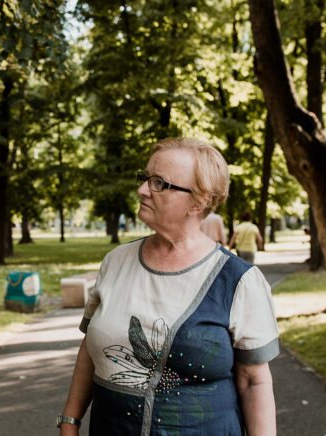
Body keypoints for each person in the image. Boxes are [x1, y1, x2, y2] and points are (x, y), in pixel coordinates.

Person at [59, 138, 278, 435]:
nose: (141, 190)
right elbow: (90, 349)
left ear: (198, 203)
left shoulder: (239, 281)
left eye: (159, 183)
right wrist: (70, 421)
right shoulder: (115, 262)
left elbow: (254, 381)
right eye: (145, 178)